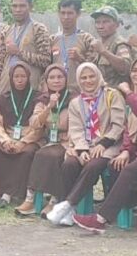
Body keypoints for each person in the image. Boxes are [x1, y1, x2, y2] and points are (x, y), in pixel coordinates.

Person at [73, 58, 137, 233]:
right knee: (115, 165)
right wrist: (126, 151)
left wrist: (127, 92)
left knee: (132, 169)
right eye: (135, 70)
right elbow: (129, 130)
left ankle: (101, 219)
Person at [47, 63, 125, 227]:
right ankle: (70, 212)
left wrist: (103, 144)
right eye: (83, 78)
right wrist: (82, 149)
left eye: (91, 76)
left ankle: (67, 205)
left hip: (109, 145)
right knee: (69, 164)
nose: (88, 81)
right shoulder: (76, 102)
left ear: (98, 76)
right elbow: (75, 129)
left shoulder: (112, 95)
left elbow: (118, 125)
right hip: (85, 146)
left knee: (92, 165)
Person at [16, 64, 71, 216]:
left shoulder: (73, 99)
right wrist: (49, 107)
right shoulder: (43, 99)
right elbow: (34, 123)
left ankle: (53, 200)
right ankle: (30, 199)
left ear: (66, 79)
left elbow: (77, 125)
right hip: (47, 140)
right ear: (46, 81)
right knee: (37, 153)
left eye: (60, 77)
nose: (56, 81)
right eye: (52, 78)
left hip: (66, 141)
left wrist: (71, 144)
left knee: (51, 156)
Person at [0, 62, 41, 208]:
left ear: (28, 77)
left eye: (23, 76)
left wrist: (23, 142)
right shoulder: (4, 98)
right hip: (8, 136)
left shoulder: (37, 98)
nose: (20, 80)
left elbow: (39, 127)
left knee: (25, 154)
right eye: (16, 76)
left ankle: (9, 193)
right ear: (11, 78)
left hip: (29, 138)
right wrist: (5, 140)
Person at [0, 0, 51, 95]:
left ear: (30, 7)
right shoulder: (6, 31)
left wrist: (19, 53)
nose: (18, 10)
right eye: (14, 6)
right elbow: (0, 65)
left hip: (30, 92)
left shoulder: (38, 29)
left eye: (22, 6)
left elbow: (46, 61)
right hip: (6, 91)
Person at [49, 0, 96, 93]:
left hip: (79, 92)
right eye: (63, 13)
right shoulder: (52, 39)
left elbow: (95, 68)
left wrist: (80, 59)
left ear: (78, 14)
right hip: (56, 93)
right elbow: (46, 67)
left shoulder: (86, 39)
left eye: (70, 13)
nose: (66, 17)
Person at [90, 6, 132, 88]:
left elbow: (126, 68)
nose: (100, 26)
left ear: (117, 24)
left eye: (105, 22)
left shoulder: (120, 44)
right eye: (97, 22)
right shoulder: (97, 43)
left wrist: (104, 52)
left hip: (115, 92)